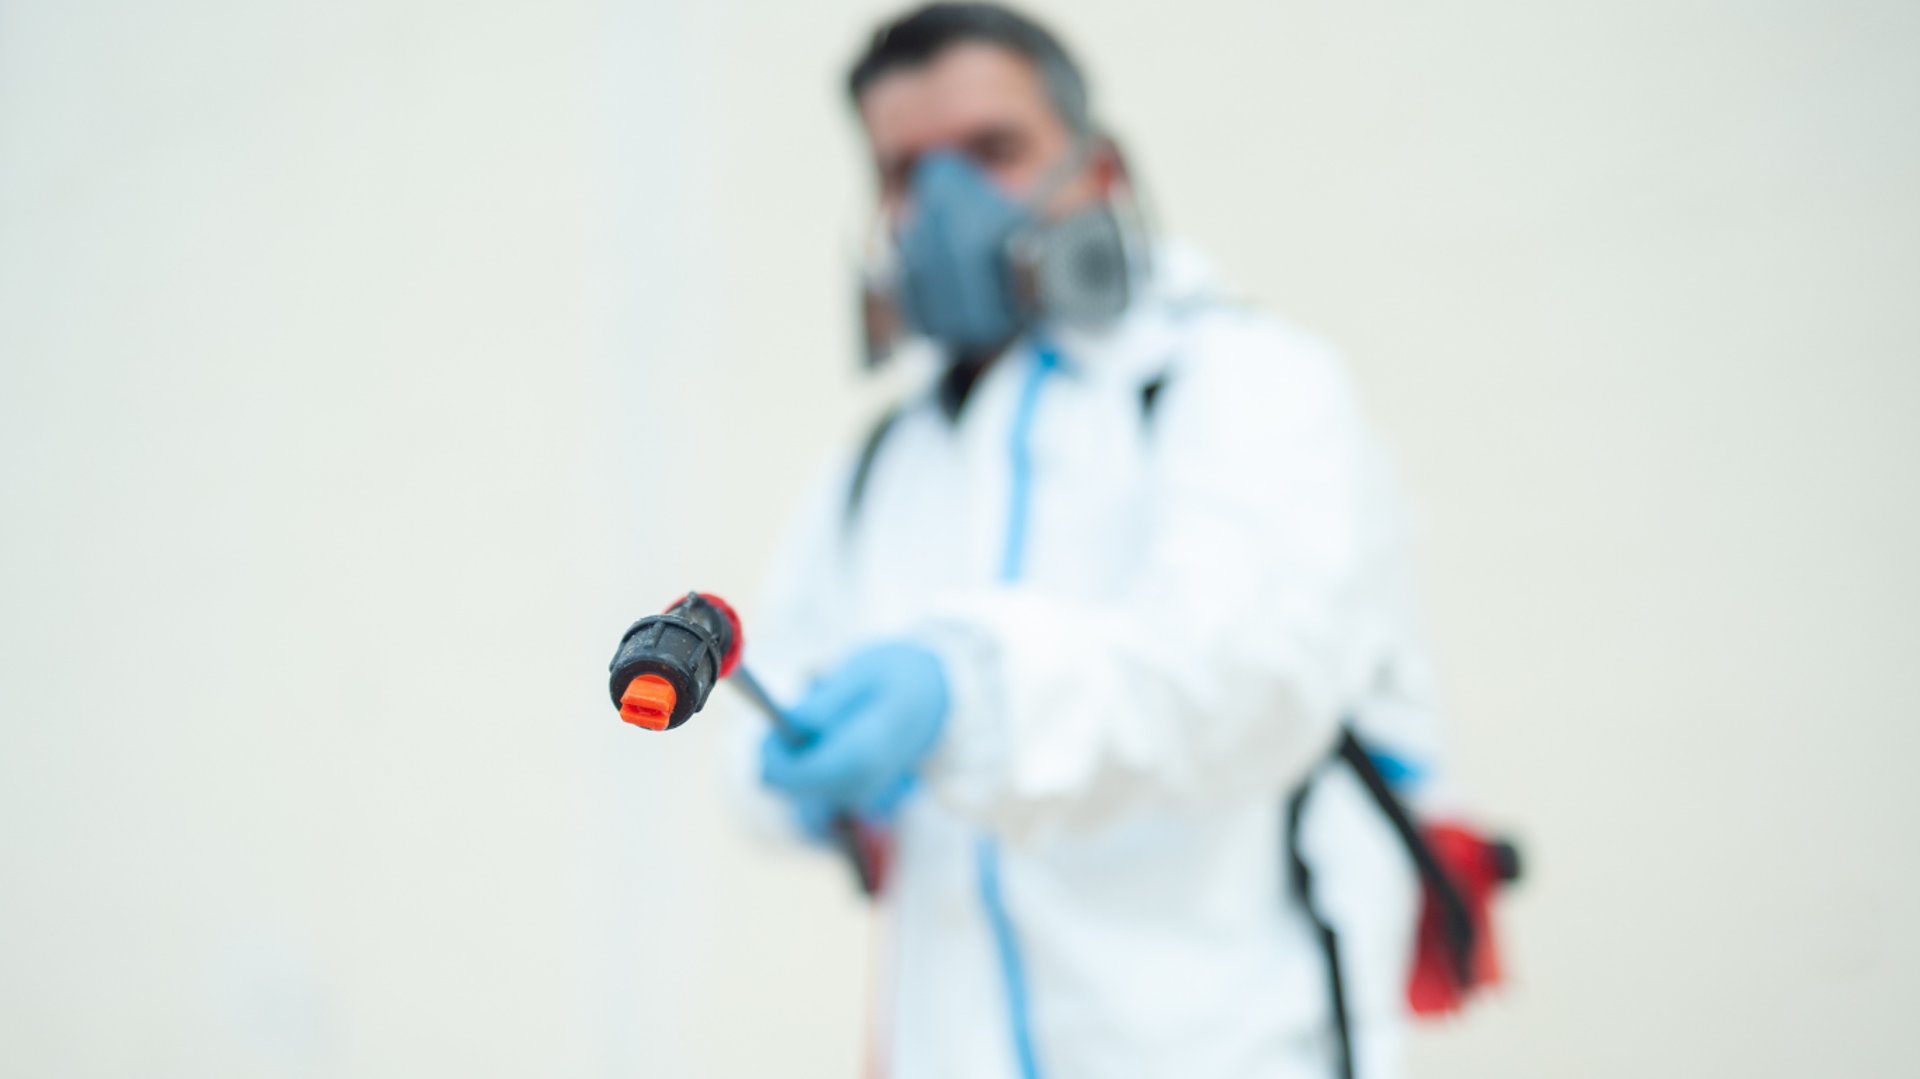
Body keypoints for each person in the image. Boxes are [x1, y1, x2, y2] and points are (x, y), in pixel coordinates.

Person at [743, 5, 1446, 1077]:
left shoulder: (1241, 385)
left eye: (992, 151)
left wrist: (960, 690)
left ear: (1100, 167)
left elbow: (1241, 675)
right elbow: (776, 734)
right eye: (904, 172)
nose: (945, 207)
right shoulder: (889, 461)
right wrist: (797, 762)